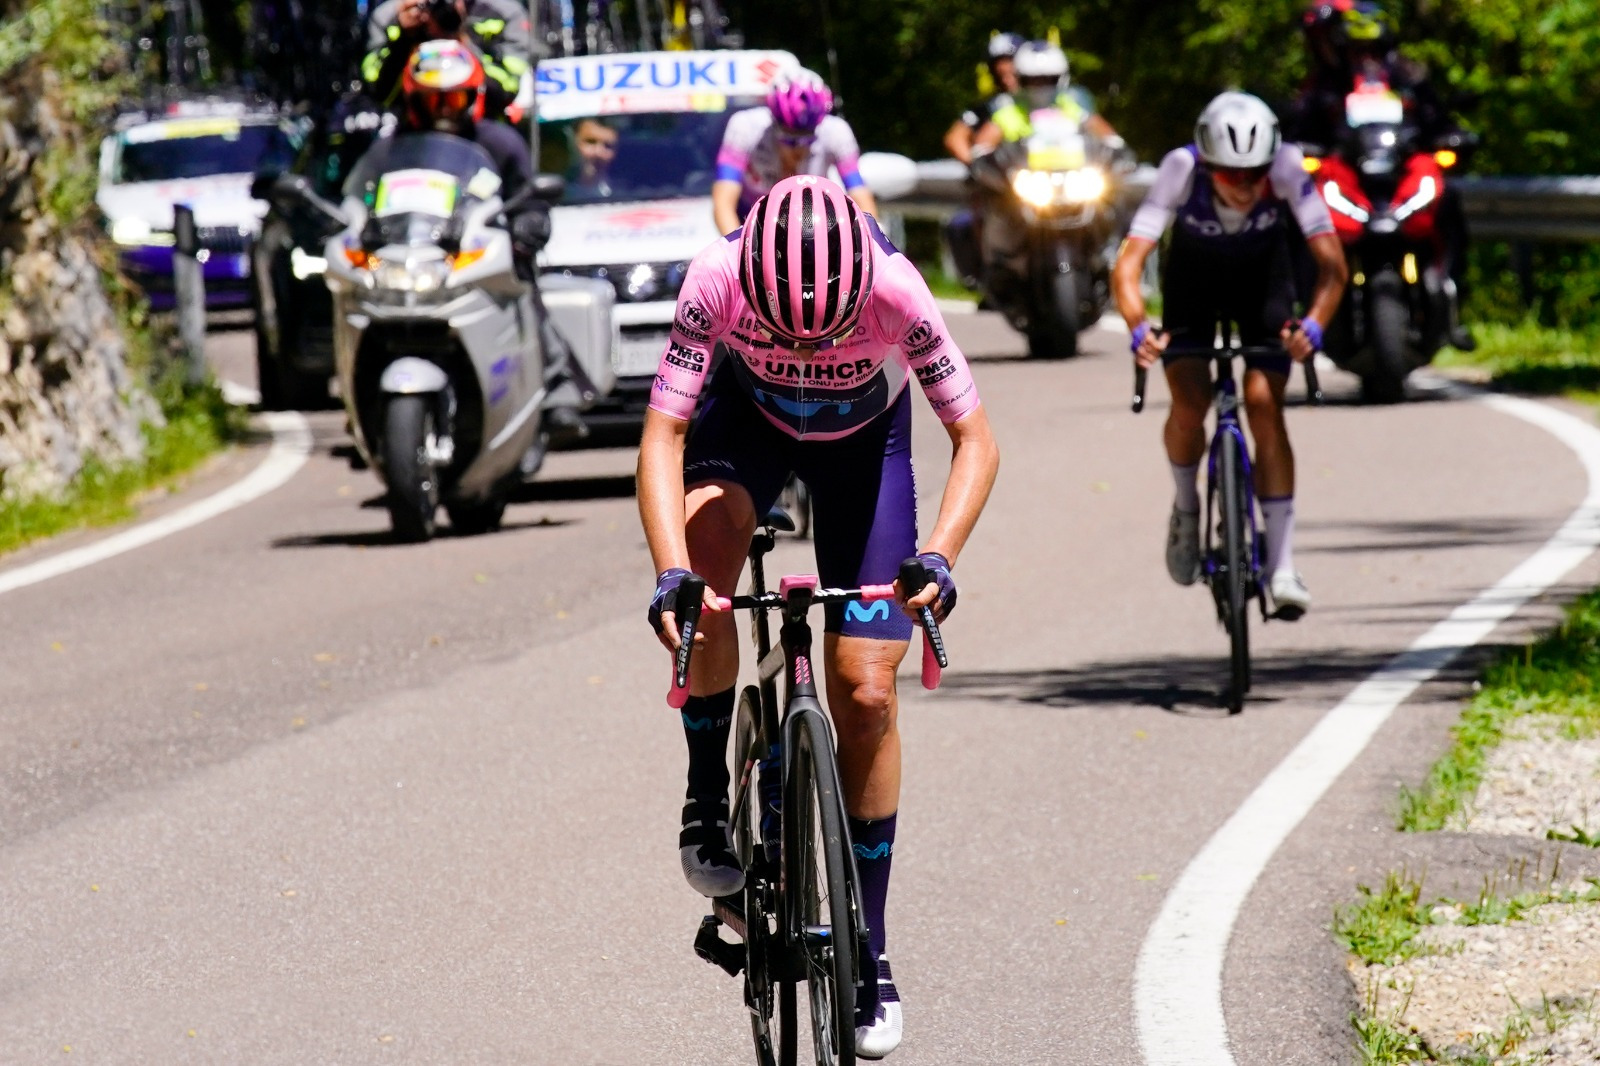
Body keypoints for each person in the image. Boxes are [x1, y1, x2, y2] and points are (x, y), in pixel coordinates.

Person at [639, 176, 999, 1057]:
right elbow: (662, 438)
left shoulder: (896, 287)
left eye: (828, 332)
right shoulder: (716, 275)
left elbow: (976, 440)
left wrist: (941, 556)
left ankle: (869, 947)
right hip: (747, 424)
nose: (806, 345)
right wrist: (670, 575)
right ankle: (705, 797)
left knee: (866, 694)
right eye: (786, 331)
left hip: (862, 448)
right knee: (708, 562)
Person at [1111, 92, 1348, 619]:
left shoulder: (1287, 167)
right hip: (1191, 290)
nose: (1243, 186)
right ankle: (1187, 505)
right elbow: (1128, 267)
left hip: (1263, 287)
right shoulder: (1180, 169)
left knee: (1264, 403)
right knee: (1190, 403)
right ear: (1208, 164)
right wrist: (1137, 328)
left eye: (1253, 175)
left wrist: (1312, 325)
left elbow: (1332, 267)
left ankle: (1283, 565)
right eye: (1229, 175)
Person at [396, 41, 586, 436]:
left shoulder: (500, 142)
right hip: (412, 261)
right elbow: (363, 193)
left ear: (473, 97)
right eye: (435, 100)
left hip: (482, 255)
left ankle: (557, 386)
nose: (446, 109)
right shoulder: (395, 147)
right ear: (414, 101)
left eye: (455, 98)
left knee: (524, 289)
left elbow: (531, 197)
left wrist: (529, 226)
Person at [1286, 0, 1474, 349]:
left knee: (1446, 200)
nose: (1363, 55)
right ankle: (1306, 304)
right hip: (1350, 179)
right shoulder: (1325, 85)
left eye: (1371, 47)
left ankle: (1454, 297)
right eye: (1355, 47)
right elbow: (1301, 127)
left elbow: (1438, 119)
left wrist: (1451, 136)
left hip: (1399, 176)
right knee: (1298, 213)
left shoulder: (1406, 75)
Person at [711, 70, 877, 236]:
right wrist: (740, 251)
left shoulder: (837, 132)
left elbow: (861, 198)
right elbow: (723, 203)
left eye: (808, 140)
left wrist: (871, 243)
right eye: (789, 140)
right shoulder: (745, 128)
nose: (798, 149)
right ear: (773, 123)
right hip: (750, 216)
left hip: (809, 219)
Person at [362, 0, 536, 120]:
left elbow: (505, 92)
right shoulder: (389, 17)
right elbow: (379, 93)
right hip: (409, 133)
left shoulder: (504, 13)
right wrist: (404, 38)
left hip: (481, 129)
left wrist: (458, 37)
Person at [971, 39, 1126, 155]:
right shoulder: (1009, 111)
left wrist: (1118, 152)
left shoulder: (1071, 106)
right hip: (1022, 187)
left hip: (1076, 183)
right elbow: (981, 150)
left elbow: (1111, 139)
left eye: (1048, 80)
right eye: (1032, 80)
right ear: (1022, 81)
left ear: (1060, 79)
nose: (1040, 87)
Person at [942, 32, 1023, 166]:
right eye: (1001, 75)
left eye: (1012, 73)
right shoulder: (988, 106)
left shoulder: (1046, 101)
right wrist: (977, 168)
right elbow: (955, 138)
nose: (1007, 80)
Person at [566, 116, 619, 197]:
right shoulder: (556, 190)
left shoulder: (627, 193)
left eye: (608, 145)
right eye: (590, 142)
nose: (598, 152)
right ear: (573, 143)